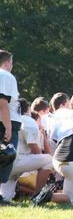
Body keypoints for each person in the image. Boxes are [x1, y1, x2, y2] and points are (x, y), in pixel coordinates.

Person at [0, 98, 53, 201]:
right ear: (27, 109)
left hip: (7, 161)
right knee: (49, 160)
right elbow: (34, 147)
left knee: (6, 198)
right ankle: (37, 196)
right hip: (16, 162)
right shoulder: (28, 120)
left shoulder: (9, 119)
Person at [0, 50, 22, 205]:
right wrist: (7, 127)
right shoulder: (6, 75)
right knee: (5, 157)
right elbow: (2, 102)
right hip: (5, 123)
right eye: (11, 63)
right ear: (7, 62)